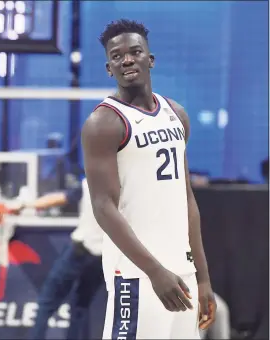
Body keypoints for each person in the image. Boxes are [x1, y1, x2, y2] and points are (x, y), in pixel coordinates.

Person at [81, 20, 216, 339]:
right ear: (108, 68)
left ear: (150, 59)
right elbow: (103, 207)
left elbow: (187, 201)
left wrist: (202, 278)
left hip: (181, 269)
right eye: (117, 56)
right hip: (136, 274)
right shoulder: (103, 123)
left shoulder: (176, 114)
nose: (126, 59)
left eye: (134, 52)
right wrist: (154, 271)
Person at [24, 178, 104, 339]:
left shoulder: (90, 181)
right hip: (102, 256)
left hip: (80, 250)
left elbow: (59, 199)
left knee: (46, 303)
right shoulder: (125, 187)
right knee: (80, 307)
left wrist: (25, 205)